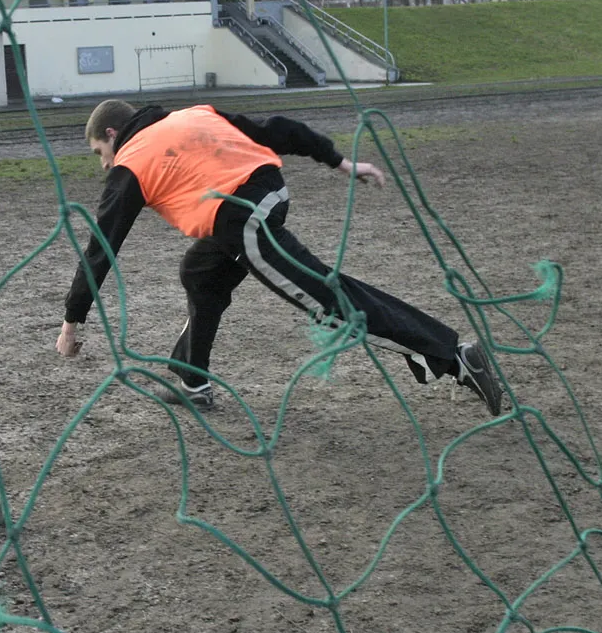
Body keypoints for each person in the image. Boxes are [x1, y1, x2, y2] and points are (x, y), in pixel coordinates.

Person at [54, 100, 504, 417]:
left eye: (99, 153)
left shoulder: (131, 160)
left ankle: (455, 356)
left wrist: (72, 321)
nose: (103, 165)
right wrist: (340, 162)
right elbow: (275, 129)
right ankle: (190, 377)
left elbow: (100, 247)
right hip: (267, 193)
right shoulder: (191, 116)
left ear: (112, 134)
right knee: (200, 274)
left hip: (244, 219)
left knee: (328, 299)